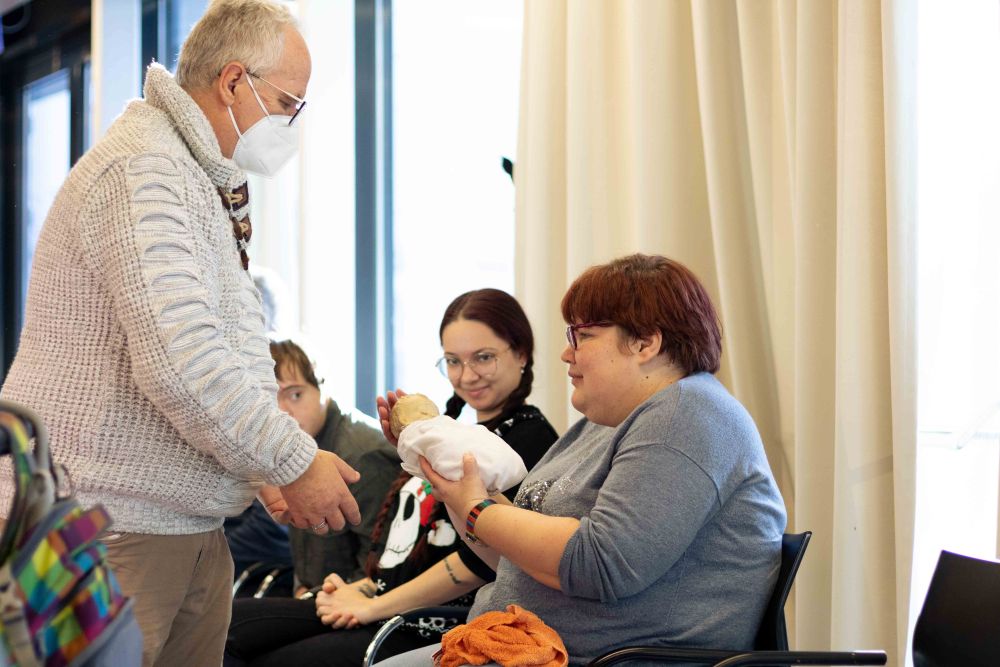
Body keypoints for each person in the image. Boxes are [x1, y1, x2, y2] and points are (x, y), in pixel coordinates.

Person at [0, 2, 362, 664]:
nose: (291, 125)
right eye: (287, 104)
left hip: (177, 525)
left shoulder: (196, 174)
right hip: (103, 527)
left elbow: (239, 343)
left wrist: (260, 465)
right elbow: (181, 361)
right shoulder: (144, 169)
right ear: (233, 81)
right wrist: (292, 459)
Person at [377, 254, 788, 666]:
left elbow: (600, 564)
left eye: (583, 335)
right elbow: (515, 560)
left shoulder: (687, 415)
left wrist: (476, 507)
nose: (566, 353)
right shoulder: (603, 424)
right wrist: (449, 477)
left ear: (645, 342)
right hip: (519, 646)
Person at [225, 288, 559, 666]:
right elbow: (410, 549)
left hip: (431, 619)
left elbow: (482, 563)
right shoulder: (454, 436)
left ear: (521, 353)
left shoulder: (523, 444)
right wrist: (358, 588)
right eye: (453, 361)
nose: (467, 375)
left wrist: (372, 605)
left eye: (483, 357)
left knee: (259, 653)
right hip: (385, 601)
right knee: (227, 623)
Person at [227, 340, 400, 586]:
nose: (282, 411)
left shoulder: (362, 456)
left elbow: (381, 568)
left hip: (354, 599)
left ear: (323, 387)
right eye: (268, 399)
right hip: (311, 590)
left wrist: (320, 598)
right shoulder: (290, 449)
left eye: (295, 395)